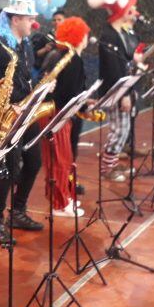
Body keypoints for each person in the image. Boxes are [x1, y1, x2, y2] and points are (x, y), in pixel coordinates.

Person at [0, 0, 45, 245]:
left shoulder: (24, 43)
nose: (33, 23)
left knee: (34, 161)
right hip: (7, 116)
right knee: (7, 169)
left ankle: (17, 211)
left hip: (25, 111)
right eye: (30, 19)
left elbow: (26, 76)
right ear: (15, 19)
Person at [87, 0, 144, 182]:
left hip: (124, 89)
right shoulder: (109, 35)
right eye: (130, 9)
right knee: (119, 130)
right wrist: (124, 95)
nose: (134, 13)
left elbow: (125, 63)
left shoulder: (122, 33)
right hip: (116, 90)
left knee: (124, 129)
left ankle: (112, 164)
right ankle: (106, 168)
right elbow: (113, 71)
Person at [39, 16, 91, 217]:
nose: (87, 38)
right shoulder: (73, 60)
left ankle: (64, 199)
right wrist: (84, 102)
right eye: (85, 34)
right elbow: (70, 92)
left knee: (62, 158)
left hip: (56, 113)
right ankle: (59, 203)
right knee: (60, 160)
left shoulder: (61, 56)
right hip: (57, 114)